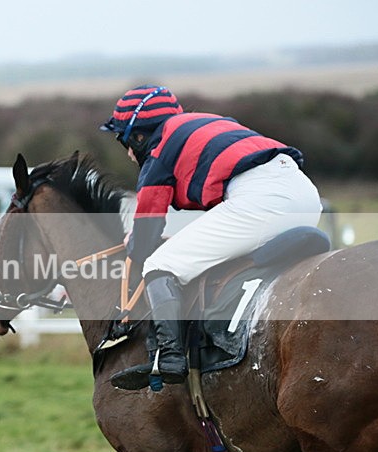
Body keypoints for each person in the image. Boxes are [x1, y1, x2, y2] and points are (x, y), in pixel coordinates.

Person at [99, 85, 322, 390]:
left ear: (138, 136)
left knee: (160, 264)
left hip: (261, 200)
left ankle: (169, 357)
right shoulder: (210, 123)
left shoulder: (160, 150)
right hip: (305, 193)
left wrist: (137, 245)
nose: (127, 152)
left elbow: (147, 228)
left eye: (124, 139)